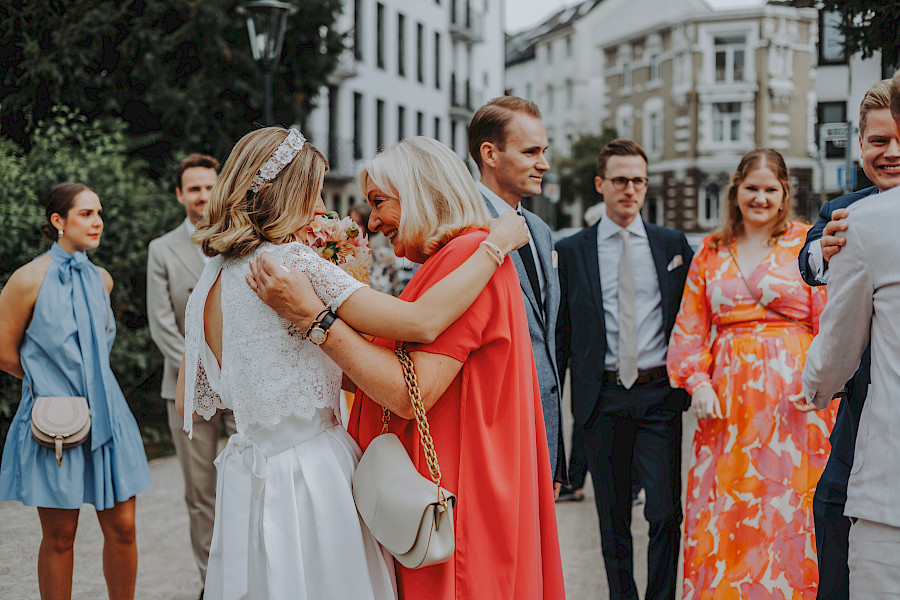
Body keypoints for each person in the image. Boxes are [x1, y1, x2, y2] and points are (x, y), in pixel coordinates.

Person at [176, 128, 532, 599]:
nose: (321, 207)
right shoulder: (292, 262)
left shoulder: (209, 278)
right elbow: (421, 321)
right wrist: (495, 246)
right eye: (316, 191)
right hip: (312, 473)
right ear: (292, 192)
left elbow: (192, 395)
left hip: (249, 475)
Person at [667, 149, 837, 599]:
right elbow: (689, 329)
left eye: (770, 189)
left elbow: (829, 323)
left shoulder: (805, 244)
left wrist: (823, 382)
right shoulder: (711, 249)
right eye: (752, 188)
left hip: (797, 405)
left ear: (784, 194)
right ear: (736, 191)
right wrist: (698, 383)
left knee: (792, 508)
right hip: (728, 406)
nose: (760, 198)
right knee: (728, 508)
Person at [0, 183, 152, 599]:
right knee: (61, 535)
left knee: (124, 528)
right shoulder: (27, 279)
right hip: (56, 420)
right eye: (86, 214)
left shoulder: (102, 280)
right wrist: (48, 383)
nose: (97, 221)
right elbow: (4, 353)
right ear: (58, 221)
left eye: (99, 213)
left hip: (109, 413)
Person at [556, 139, 691, 600]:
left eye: (638, 181)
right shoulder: (573, 251)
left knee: (664, 514)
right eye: (620, 180)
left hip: (659, 395)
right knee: (612, 520)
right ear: (600, 184)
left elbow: (690, 318)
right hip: (603, 398)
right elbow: (562, 334)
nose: (629, 189)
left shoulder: (672, 245)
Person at [796, 78, 900, 600]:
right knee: (833, 511)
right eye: (879, 140)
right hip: (859, 414)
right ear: (860, 144)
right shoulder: (845, 210)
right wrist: (827, 254)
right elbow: (808, 260)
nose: (891, 152)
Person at [147, 153, 235, 597]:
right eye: (194, 188)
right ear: (180, 194)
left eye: (209, 186)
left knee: (257, 473)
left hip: (242, 380)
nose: (203, 195)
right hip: (185, 386)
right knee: (201, 492)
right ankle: (210, 583)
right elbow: (162, 323)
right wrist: (199, 370)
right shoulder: (161, 249)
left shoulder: (238, 239)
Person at [467, 96, 565, 489]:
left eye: (544, 151)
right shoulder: (461, 226)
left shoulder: (540, 230)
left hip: (542, 437)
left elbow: (544, 343)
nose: (544, 164)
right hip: (490, 440)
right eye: (530, 152)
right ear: (490, 154)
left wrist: (554, 456)